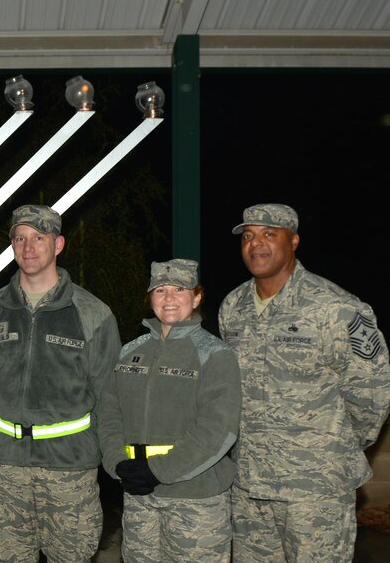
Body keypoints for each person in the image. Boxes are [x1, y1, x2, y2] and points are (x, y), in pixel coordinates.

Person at [218, 203, 390, 562]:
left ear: (293, 240)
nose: (256, 244)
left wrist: (328, 448)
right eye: (248, 236)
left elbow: (371, 397)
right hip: (250, 486)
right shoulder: (233, 307)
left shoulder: (336, 308)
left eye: (269, 234)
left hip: (315, 489)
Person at [0, 204, 122, 562]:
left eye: (39, 237)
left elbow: (110, 396)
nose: (28, 247)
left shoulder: (92, 314)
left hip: (69, 470)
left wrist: (116, 461)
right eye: (19, 238)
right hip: (5, 468)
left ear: (59, 245)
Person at [97, 258, 241, 562]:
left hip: (196, 500)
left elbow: (218, 430)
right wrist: (117, 464)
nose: (169, 298)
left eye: (179, 289)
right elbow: (109, 412)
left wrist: (158, 470)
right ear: (150, 298)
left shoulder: (214, 354)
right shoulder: (130, 352)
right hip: (139, 497)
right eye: (160, 290)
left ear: (197, 296)